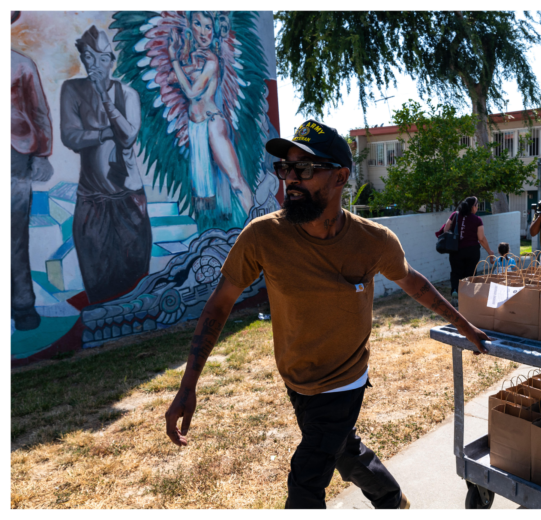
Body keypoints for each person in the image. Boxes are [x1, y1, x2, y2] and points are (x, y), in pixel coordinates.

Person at [164, 119, 491, 509]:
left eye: (304, 169)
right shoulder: (263, 237)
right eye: (286, 168)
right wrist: (188, 385)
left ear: (340, 177)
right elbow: (219, 305)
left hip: (344, 382)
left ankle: (387, 500)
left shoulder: (373, 241)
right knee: (343, 450)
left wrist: (465, 325)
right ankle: (392, 500)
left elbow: (413, 282)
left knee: (307, 479)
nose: (291, 180)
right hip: (297, 379)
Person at [60, 26, 152, 304]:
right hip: (91, 200)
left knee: (134, 270)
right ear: (82, 58)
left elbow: (128, 136)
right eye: (89, 57)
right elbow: (71, 136)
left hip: (128, 198)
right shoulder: (72, 89)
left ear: (111, 61)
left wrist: (104, 97)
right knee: (96, 274)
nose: (95, 64)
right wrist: (103, 133)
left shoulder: (127, 94)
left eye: (102, 58)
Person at [168, 11, 254, 216]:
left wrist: (174, 59)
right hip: (196, 127)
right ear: (190, 26)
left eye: (208, 26)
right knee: (203, 193)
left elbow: (190, 92)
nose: (204, 32)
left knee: (236, 181)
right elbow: (173, 77)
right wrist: (184, 67)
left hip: (212, 124)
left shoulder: (212, 60)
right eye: (198, 24)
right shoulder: (196, 59)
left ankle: (258, 227)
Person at [11, 10, 54, 330]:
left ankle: (23, 306)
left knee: (13, 237)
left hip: (15, 157)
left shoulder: (20, 64)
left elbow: (38, 111)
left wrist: (42, 154)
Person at [436, 196, 494, 300]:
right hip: (472, 251)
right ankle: (467, 296)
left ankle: (455, 291)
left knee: (455, 272)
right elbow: (481, 238)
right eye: (477, 205)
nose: (477, 208)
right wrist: (490, 251)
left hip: (455, 250)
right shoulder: (477, 220)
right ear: (473, 207)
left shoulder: (455, 215)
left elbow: (446, 229)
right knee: (470, 273)